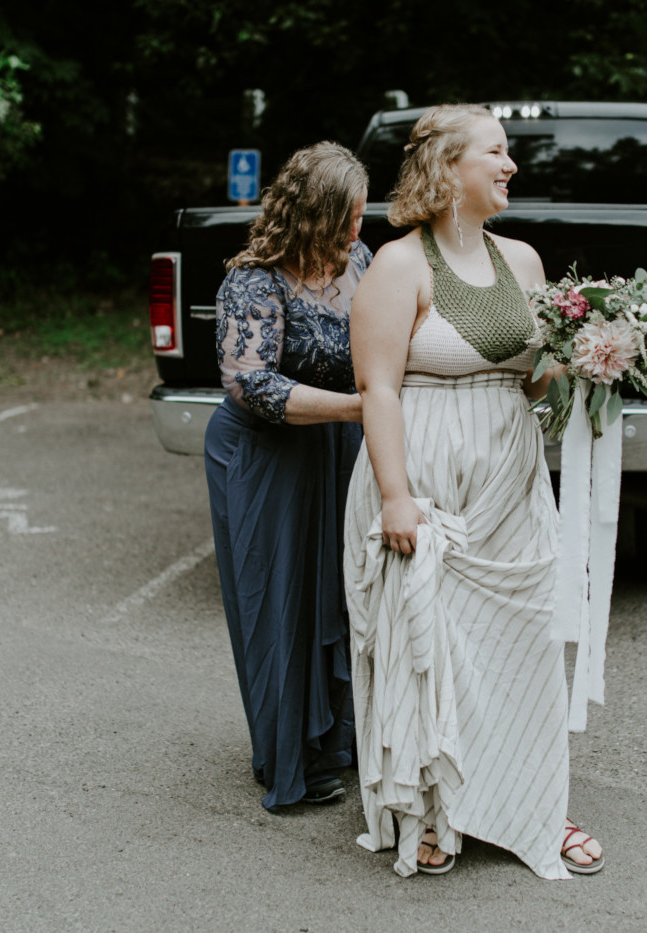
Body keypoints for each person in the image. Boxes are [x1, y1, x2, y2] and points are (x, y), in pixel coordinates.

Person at [343, 103, 604, 878]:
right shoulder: (399, 265)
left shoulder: (523, 260)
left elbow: (533, 376)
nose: (511, 165)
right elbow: (377, 387)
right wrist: (396, 496)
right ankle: (434, 809)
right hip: (424, 480)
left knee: (521, 641)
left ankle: (534, 802)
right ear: (449, 168)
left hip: (509, 479)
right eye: (496, 151)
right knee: (434, 647)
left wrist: (595, 355)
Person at [204, 141, 371, 810]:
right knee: (276, 601)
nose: (360, 229)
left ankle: (334, 738)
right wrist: (361, 405)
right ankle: (288, 752)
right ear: (312, 216)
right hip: (265, 453)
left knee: (340, 594)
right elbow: (253, 385)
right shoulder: (256, 279)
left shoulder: (361, 261)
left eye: (363, 215)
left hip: (339, 446)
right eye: (348, 216)